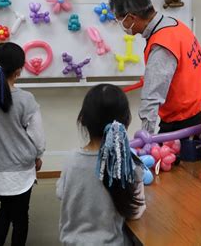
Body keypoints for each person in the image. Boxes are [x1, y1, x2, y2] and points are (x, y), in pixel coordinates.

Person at [109, 0, 201, 134]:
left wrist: (146, 138)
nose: (121, 25)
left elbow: (151, 98)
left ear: (131, 17)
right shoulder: (175, 25)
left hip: (185, 122)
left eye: (120, 20)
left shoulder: (162, 45)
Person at [0, 42, 45, 246]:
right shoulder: (25, 99)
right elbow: (38, 136)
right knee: (20, 215)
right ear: (19, 70)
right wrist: (38, 156)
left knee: (5, 210)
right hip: (21, 168)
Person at [56, 84, 146, 246]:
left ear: (83, 120)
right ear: (125, 122)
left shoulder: (71, 161)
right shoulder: (127, 164)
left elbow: (61, 193)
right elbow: (135, 212)